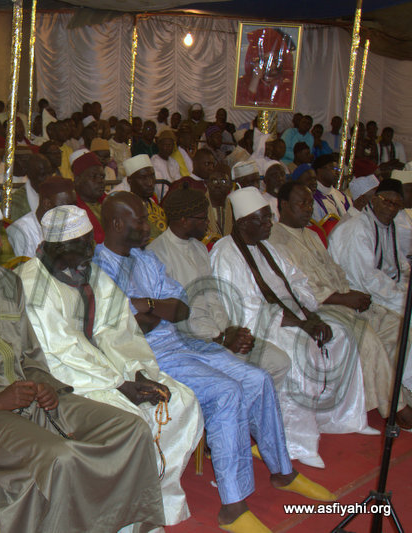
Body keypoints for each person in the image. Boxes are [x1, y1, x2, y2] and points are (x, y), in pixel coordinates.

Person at [0, 193, 165, 533]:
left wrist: (47, 385)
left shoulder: (8, 283)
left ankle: (129, 525)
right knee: (63, 458)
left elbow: (31, 355)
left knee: (131, 429)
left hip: (31, 399)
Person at [94, 194, 334, 529]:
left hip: (183, 341)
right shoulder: (98, 267)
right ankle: (232, 508)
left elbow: (181, 308)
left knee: (257, 378)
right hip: (146, 355)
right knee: (226, 392)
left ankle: (283, 472)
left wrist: (146, 304)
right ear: (118, 224)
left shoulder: (146, 259)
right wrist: (153, 308)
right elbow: (131, 325)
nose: (148, 227)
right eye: (140, 221)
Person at [16, 204, 202, 528]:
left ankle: (157, 503)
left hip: (105, 369)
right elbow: (60, 352)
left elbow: (116, 327)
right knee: (133, 424)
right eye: (82, 245)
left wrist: (137, 371)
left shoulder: (87, 270)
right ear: (56, 249)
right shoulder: (33, 284)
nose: (91, 251)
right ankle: (124, 520)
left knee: (181, 401)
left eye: (90, 241)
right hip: (58, 381)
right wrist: (119, 385)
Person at [211, 187, 377, 469]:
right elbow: (244, 309)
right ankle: (296, 442)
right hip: (258, 328)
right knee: (300, 353)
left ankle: (341, 417)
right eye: (263, 219)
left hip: (294, 316)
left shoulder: (267, 245)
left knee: (343, 337)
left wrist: (309, 314)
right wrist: (300, 323)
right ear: (242, 223)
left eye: (269, 217)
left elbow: (297, 280)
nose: (270, 224)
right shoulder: (225, 252)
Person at [269, 181, 410, 424]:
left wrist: (350, 293)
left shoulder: (311, 234)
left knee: (398, 327)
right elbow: (298, 288)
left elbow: (334, 270)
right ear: (283, 205)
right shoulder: (275, 238)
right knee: (366, 336)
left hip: (343, 299)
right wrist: (344, 298)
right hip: (319, 307)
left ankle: (399, 390)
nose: (308, 209)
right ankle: (395, 408)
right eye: (301, 203)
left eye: (309, 203)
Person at [149, 186, 291, 388]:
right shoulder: (157, 254)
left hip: (219, 332)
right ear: (183, 220)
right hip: (192, 342)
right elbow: (175, 318)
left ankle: (256, 416)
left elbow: (213, 298)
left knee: (280, 362)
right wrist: (219, 338)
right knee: (253, 378)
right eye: (202, 218)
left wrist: (230, 331)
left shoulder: (198, 247)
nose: (208, 223)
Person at [328, 178, 412, 415]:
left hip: (378, 295)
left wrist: (405, 286)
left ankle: (400, 389)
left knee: (403, 326)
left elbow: (398, 265)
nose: (392, 208)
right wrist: (402, 297)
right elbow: (367, 278)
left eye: (397, 205)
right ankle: (398, 396)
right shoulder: (357, 229)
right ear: (374, 200)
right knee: (402, 327)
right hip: (355, 299)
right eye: (387, 202)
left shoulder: (386, 225)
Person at [7, 176, 75, 258]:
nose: (71, 212)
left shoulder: (67, 224)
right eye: (65, 208)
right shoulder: (22, 232)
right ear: (47, 204)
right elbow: (28, 269)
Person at [111, 154, 167, 243]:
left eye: (152, 176)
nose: (150, 183)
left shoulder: (154, 205)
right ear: (130, 181)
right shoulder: (125, 209)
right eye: (143, 178)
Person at [70, 150, 105, 243]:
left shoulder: (111, 202)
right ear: (77, 180)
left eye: (102, 176)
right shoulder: (71, 210)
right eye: (94, 176)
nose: (100, 181)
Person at [311, 153, 353, 227]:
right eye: (332, 168)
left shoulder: (342, 197)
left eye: (337, 169)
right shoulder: (312, 197)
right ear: (319, 171)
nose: (337, 172)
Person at [7, 153, 51, 222]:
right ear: (30, 175)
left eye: (50, 173)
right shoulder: (15, 203)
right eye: (42, 175)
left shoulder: (55, 194)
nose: (48, 179)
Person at [151, 130, 182, 201]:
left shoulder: (173, 162)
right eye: (165, 145)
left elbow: (178, 180)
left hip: (175, 196)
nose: (168, 148)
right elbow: (160, 189)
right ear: (159, 145)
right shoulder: (154, 161)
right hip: (162, 199)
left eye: (170, 145)